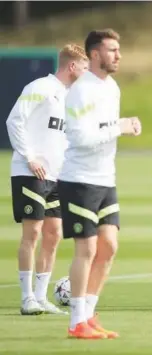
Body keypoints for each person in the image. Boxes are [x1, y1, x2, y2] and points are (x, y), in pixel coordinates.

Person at [58, 29, 142, 339]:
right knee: (88, 248)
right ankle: (76, 321)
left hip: (105, 179)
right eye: (112, 50)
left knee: (108, 246)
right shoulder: (82, 91)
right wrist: (118, 128)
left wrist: (122, 126)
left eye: (119, 49)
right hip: (79, 178)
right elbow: (79, 137)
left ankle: (89, 314)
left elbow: (105, 129)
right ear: (95, 54)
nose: (118, 55)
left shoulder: (113, 88)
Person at [6, 44, 89, 315]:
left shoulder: (72, 98)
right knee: (32, 233)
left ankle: (41, 298)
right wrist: (29, 156)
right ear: (72, 66)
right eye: (85, 68)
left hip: (57, 177)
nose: (88, 73)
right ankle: (26, 297)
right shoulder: (39, 87)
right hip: (30, 173)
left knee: (53, 234)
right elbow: (14, 121)